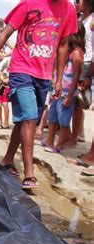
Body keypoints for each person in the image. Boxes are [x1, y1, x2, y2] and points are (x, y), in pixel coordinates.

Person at [0, 0, 78, 189]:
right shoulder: (29, 4)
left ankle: (7, 160)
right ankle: (29, 173)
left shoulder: (69, 9)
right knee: (30, 118)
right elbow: (5, 34)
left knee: (25, 119)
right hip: (21, 70)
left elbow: (63, 44)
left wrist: (58, 78)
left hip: (44, 75)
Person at [44, 24, 84, 153]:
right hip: (58, 91)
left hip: (67, 92)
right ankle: (49, 141)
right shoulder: (66, 51)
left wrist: (70, 95)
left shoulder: (76, 53)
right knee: (52, 117)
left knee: (64, 120)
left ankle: (59, 145)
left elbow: (76, 75)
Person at [67, 0, 94, 147]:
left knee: (78, 102)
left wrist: (89, 74)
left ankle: (74, 138)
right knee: (77, 101)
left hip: (87, 63)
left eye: (78, 1)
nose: (76, 2)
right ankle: (77, 134)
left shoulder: (92, 20)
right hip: (82, 62)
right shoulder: (81, 19)